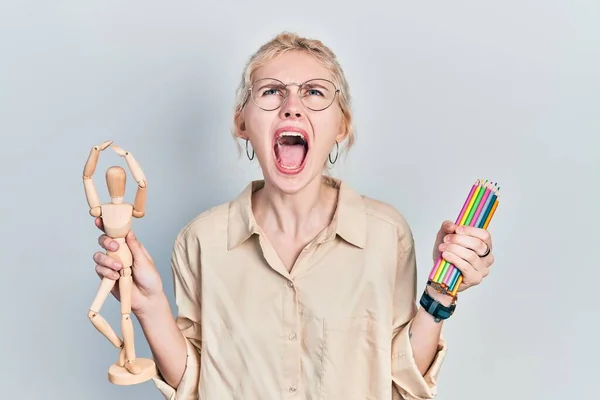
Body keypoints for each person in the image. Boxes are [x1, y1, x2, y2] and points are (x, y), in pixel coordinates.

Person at [92, 32, 495, 399]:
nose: (292, 108)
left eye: (315, 93)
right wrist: (149, 305)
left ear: (342, 125)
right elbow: (196, 385)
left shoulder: (387, 235)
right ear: (242, 123)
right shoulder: (201, 240)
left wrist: (442, 293)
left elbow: (400, 383)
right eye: (271, 92)